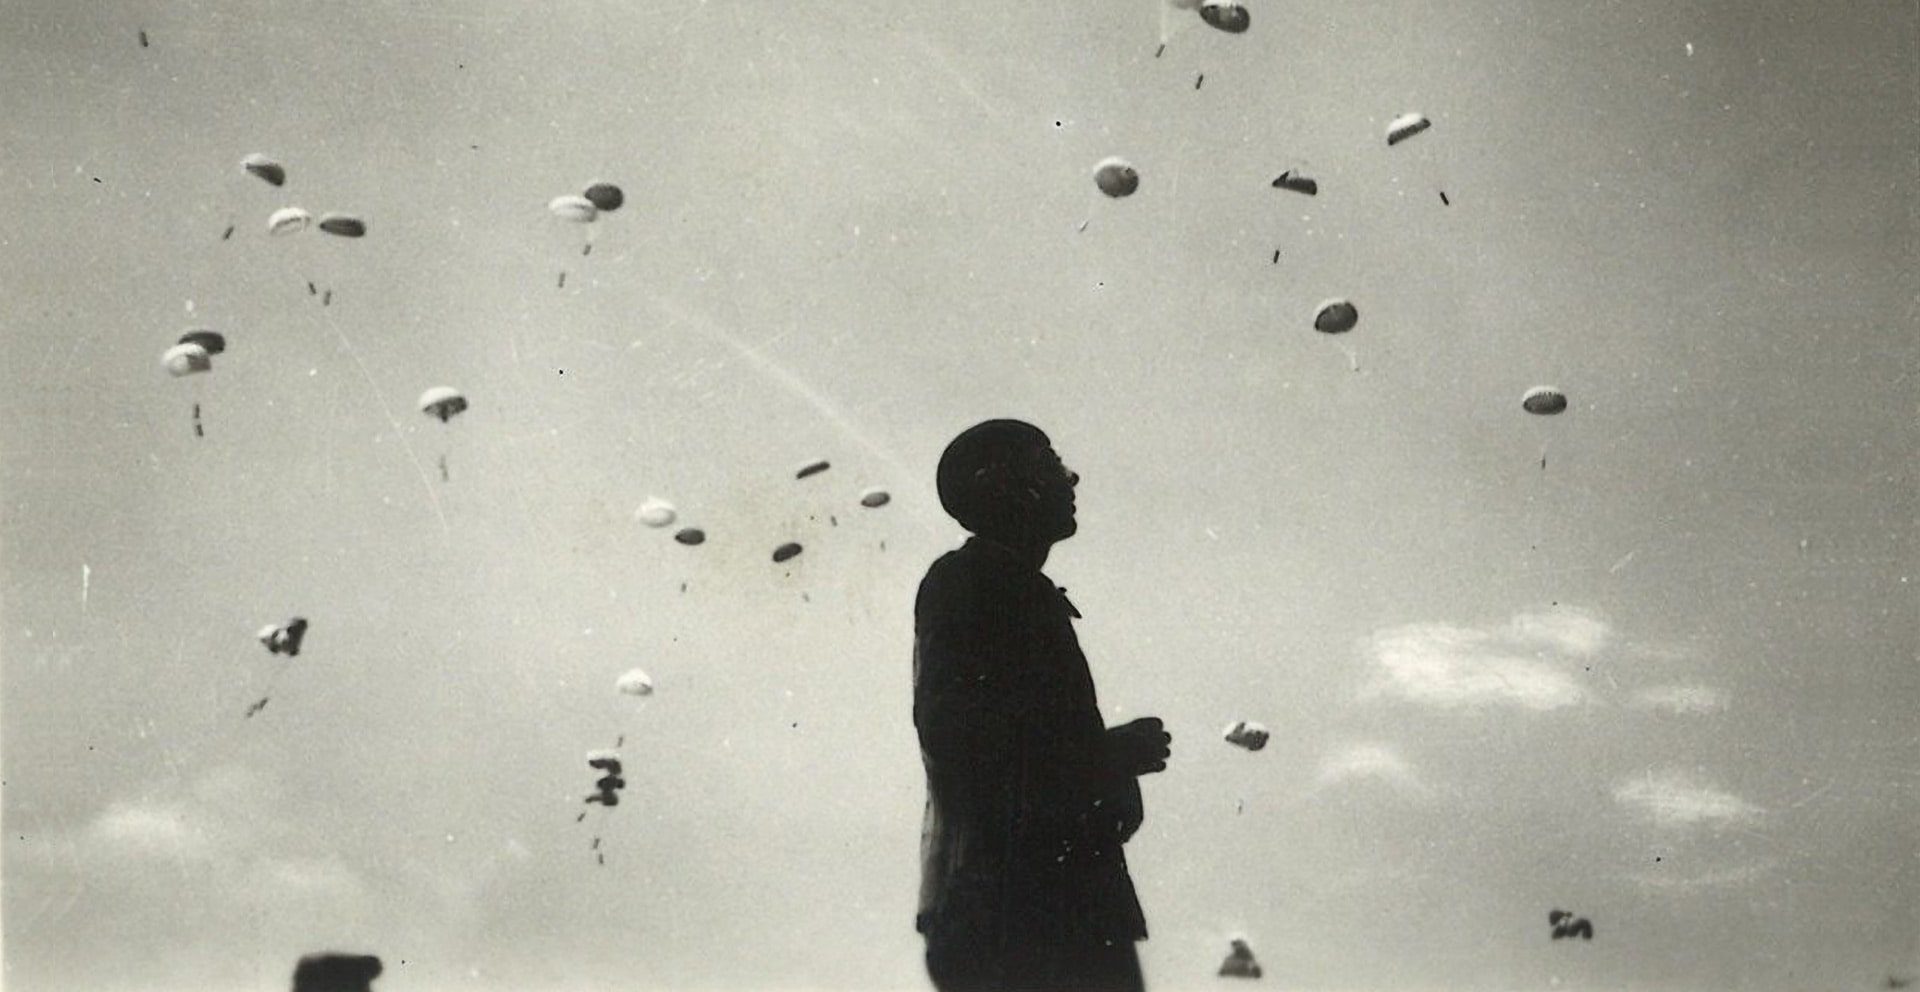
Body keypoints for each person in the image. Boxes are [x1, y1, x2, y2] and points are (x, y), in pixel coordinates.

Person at [913, 419, 1172, 991]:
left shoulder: (999, 585)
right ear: (1004, 484)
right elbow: (958, 737)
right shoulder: (972, 582)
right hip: (1022, 911)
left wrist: (1107, 762)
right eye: (1049, 465)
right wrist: (1108, 756)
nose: (1069, 478)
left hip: (1047, 907)